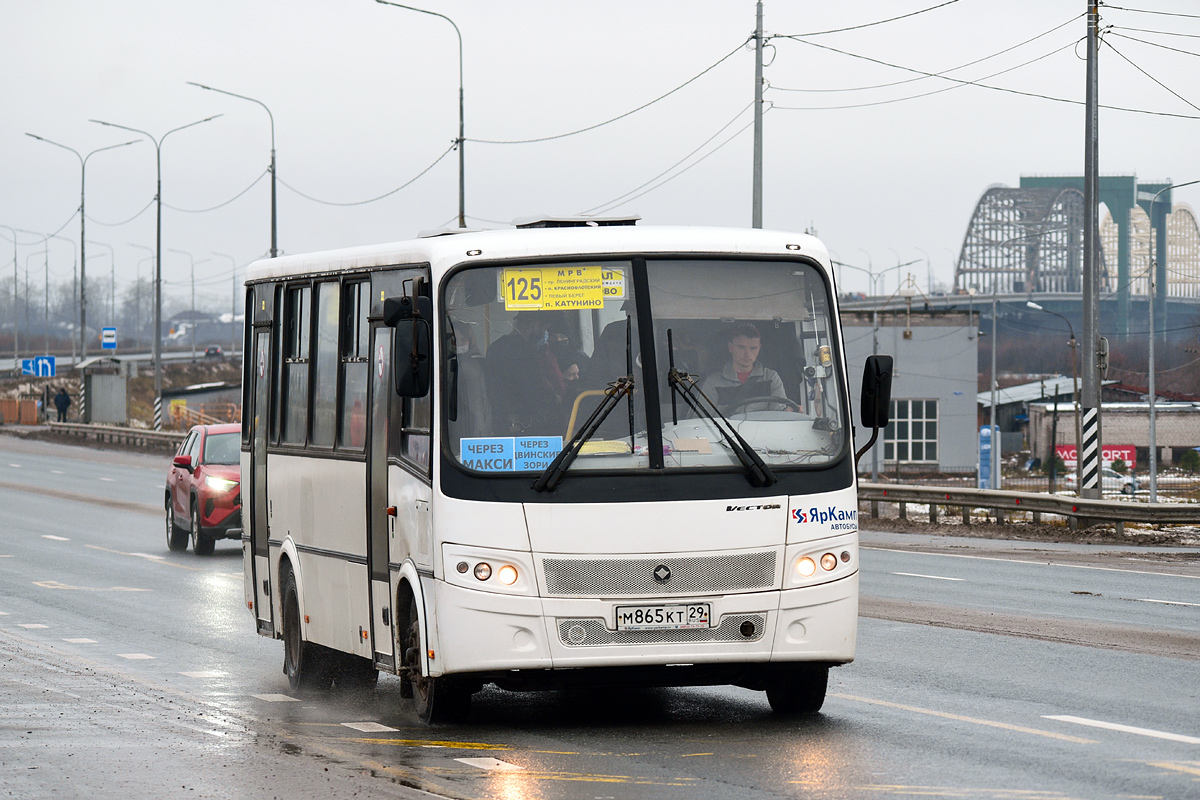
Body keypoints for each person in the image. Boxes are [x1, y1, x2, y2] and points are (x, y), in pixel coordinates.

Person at [483, 311, 564, 436]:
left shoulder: (495, 347)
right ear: (536, 326)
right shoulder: (525, 351)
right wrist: (554, 399)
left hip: (500, 420)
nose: (544, 333)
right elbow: (534, 388)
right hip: (524, 423)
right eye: (544, 329)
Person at [699, 323, 792, 413]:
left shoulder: (771, 377)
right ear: (730, 347)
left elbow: (779, 415)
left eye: (753, 348)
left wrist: (788, 411)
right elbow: (700, 420)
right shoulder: (713, 382)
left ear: (759, 349)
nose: (747, 354)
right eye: (741, 347)